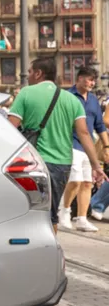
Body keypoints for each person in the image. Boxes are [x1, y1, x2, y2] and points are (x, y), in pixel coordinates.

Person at [7, 57, 105, 234]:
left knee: (27, 211)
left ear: (38, 73)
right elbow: (84, 133)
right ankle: (50, 245)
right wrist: (96, 166)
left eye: (30, 72)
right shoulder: (71, 100)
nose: (28, 76)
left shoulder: (26, 93)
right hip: (62, 164)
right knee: (51, 215)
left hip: (32, 162)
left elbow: (9, 128)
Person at [58, 67, 109, 231]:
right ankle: (64, 211)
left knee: (87, 183)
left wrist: (106, 146)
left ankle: (81, 219)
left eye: (94, 80)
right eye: (89, 79)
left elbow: (100, 125)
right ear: (79, 78)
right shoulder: (66, 96)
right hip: (70, 144)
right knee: (75, 180)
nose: (92, 83)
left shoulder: (93, 100)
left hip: (88, 146)